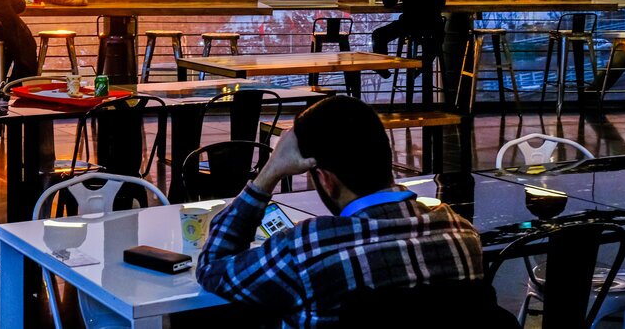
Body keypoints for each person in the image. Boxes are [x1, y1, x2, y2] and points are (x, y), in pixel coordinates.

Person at [196, 96, 485, 328]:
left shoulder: (308, 247)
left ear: (326, 179)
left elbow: (213, 266)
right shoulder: (461, 233)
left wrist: (268, 173)